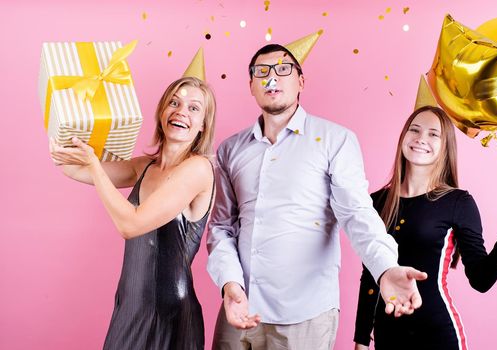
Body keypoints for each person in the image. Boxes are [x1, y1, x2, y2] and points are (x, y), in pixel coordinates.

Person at [206, 43, 428, 350]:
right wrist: (230, 284)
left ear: (300, 81)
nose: (273, 79)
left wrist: (386, 268)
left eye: (283, 70)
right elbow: (221, 228)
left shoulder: (336, 141)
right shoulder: (231, 150)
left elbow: (356, 214)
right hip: (239, 310)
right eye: (262, 72)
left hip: (305, 314)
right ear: (252, 86)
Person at [353, 105, 497, 350]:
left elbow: (481, 279)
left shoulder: (458, 202)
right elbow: (370, 276)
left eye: (433, 134)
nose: (421, 139)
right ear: (403, 137)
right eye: (414, 130)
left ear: (445, 146)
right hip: (388, 336)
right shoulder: (375, 202)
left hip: (437, 335)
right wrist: (361, 340)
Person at [49, 76, 216, 350]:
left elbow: (131, 225)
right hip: (130, 306)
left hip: (169, 314)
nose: (181, 111)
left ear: (202, 126)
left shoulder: (198, 169)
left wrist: (92, 162)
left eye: (194, 108)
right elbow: (72, 168)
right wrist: (62, 131)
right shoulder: (144, 167)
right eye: (174, 102)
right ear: (162, 111)